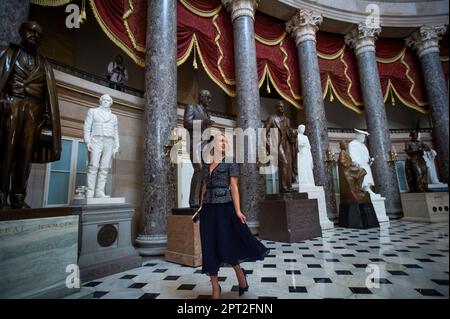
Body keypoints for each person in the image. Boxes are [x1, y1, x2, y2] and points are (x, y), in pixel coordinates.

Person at [199, 133, 269, 299]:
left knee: (227, 244)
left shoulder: (230, 161)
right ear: (213, 144)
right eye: (221, 140)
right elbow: (204, 187)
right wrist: (201, 206)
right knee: (209, 247)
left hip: (225, 208)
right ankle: (216, 288)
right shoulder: (205, 164)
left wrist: (238, 211)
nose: (224, 143)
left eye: (225, 141)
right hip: (208, 210)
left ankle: (240, 275)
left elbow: (234, 187)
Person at [0, 21, 61, 210]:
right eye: (31, 31)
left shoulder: (44, 64)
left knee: (24, 155)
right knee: (6, 152)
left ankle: (18, 197)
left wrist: (48, 120)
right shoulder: (8, 53)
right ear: (21, 32)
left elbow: (49, 96)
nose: (35, 36)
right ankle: (1, 196)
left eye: (39, 34)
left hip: (34, 111)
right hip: (12, 104)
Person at [83, 94, 119, 198]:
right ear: (100, 101)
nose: (106, 101)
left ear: (111, 102)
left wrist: (117, 146)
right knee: (93, 166)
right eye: (104, 100)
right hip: (96, 140)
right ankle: (90, 192)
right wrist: (87, 142)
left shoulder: (114, 117)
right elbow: (87, 127)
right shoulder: (93, 111)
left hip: (109, 142)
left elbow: (116, 131)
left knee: (105, 168)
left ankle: (99, 192)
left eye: (108, 100)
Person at [183, 90, 214, 207]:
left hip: (204, 143)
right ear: (202, 97)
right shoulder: (192, 107)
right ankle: (193, 201)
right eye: (208, 98)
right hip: (194, 142)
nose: (210, 101)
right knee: (199, 169)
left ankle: (201, 199)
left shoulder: (207, 113)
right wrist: (203, 122)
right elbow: (186, 122)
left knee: (205, 171)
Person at [265, 101, 296, 192]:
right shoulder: (272, 118)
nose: (281, 108)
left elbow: (289, 133)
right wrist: (268, 146)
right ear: (276, 108)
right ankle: (283, 187)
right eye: (279, 107)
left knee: (289, 165)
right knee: (284, 164)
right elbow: (263, 132)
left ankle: (289, 186)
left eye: (282, 107)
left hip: (287, 145)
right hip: (278, 144)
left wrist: (293, 134)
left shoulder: (287, 120)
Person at [348, 129, 375, 194]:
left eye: (364, 137)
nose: (364, 138)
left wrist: (370, 160)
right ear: (358, 136)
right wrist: (354, 161)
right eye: (363, 137)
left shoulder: (363, 145)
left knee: (368, 178)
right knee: (363, 178)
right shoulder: (352, 144)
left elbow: (366, 156)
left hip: (366, 165)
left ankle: (367, 189)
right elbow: (352, 154)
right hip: (359, 165)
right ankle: (364, 189)